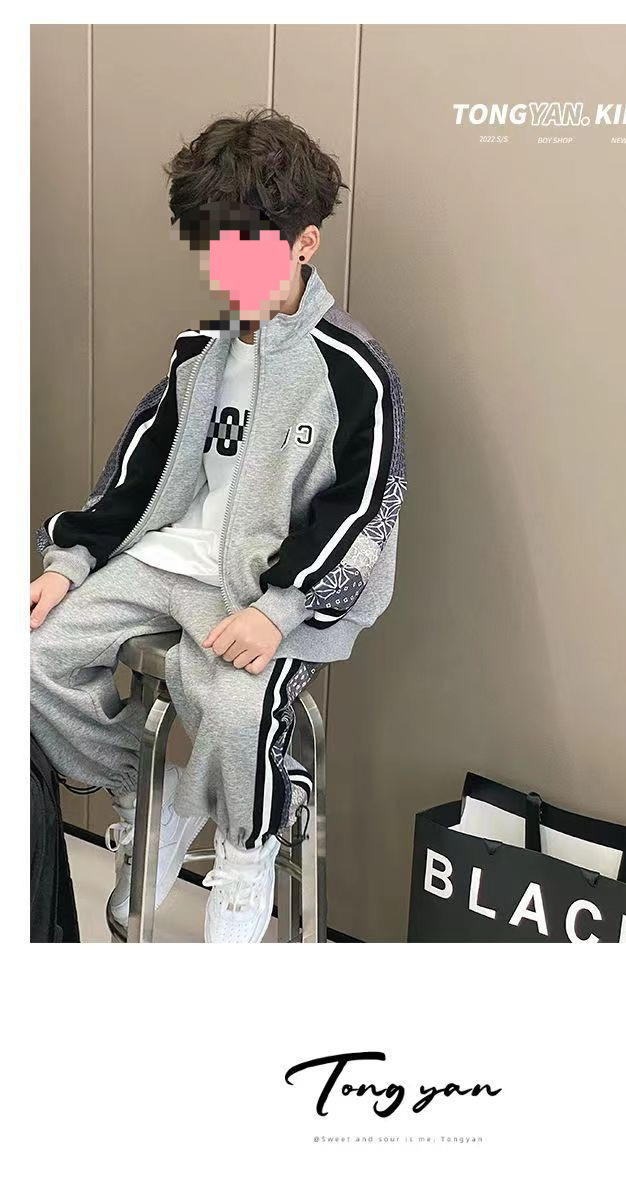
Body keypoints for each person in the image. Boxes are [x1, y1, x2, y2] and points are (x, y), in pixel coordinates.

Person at [30, 106, 408, 943]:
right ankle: (147, 796)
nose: (224, 270)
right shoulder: (197, 355)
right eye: (214, 247)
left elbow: (365, 510)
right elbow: (135, 473)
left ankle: (246, 851)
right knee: (29, 659)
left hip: (265, 586)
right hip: (168, 560)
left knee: (238, 712)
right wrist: (70, 561)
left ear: (305, 243)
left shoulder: (354, 371)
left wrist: (280, 609)